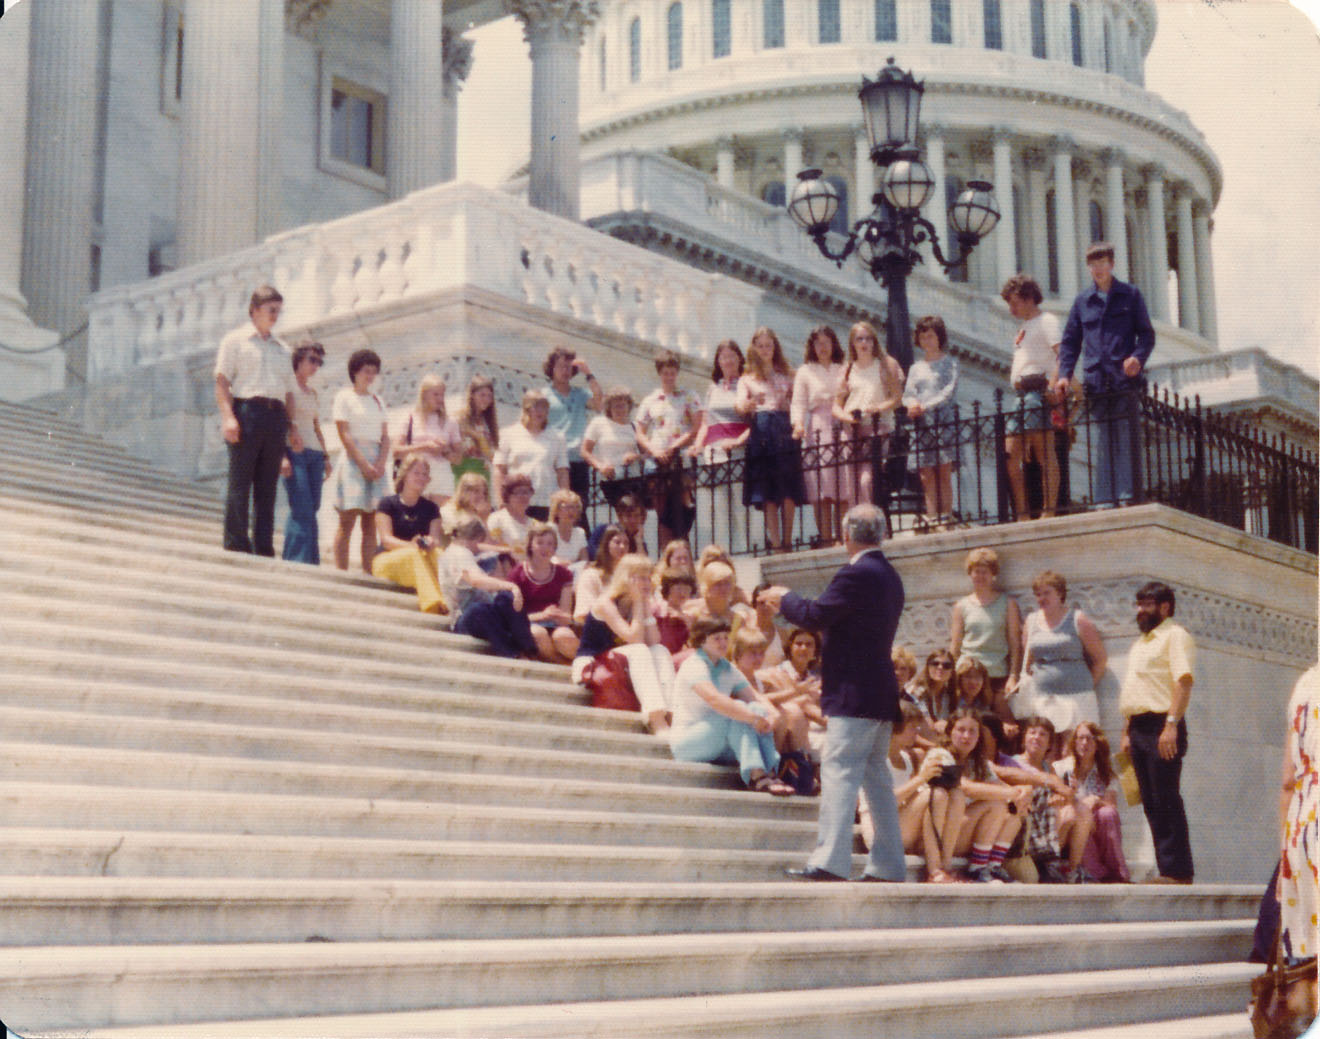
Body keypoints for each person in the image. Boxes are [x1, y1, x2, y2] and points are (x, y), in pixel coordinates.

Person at [762, 504, 906, 882]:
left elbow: (814, 615)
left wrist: (785, 597)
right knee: (876, 777)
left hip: (854, 693)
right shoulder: (891, 576)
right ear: (882, 534)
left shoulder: (857, 574)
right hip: (880, 692)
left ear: (846, 536)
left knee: (841, 772)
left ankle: (830, 860)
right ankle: (889, 864)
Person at [1055, 241, 1156, 507]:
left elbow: (1146, 334)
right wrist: (1064, 374)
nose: (1097, 269)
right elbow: (1070, 341)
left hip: (1124, 378)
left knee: (1124, 435)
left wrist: (1137, 357)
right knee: (1104, 438)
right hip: (1097, 379)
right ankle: (1105, 498)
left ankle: (1127, 494)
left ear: (1111, 265)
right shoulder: (1082, 302)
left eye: (1102, 263)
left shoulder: (1130, 295)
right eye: (1093, 265)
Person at [214, 284, 299, 556]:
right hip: (247, 411)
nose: (275, 315)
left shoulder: (283, 350)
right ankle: (236, 543)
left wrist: (292, 427)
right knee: (240, 481)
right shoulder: (235, 341)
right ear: (254, 310)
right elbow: (222, 381)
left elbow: (289, 392)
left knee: (268, 486)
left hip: (275, 416)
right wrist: (228, 417)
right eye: (270, 309)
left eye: (278, 311)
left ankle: (263, 546)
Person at [1120, 580, 1195, 883]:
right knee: (1149, 799)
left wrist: (1171, 725)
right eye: (1138, 605)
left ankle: (1178, 871)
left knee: (1165, 796)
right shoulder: (1141, 643)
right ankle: (1166, 869)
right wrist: (1127, 732)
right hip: (1138, 727)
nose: (1140, 611)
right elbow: (1136, 689)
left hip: (1163, 725)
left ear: (1165, 607)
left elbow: (1183, 681)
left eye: (1147, 605)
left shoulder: (1175, 636)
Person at [668, 617, 794, 796]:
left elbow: (755, 698)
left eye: (726, 638)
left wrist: (770, 716)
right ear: (702, 640)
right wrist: (752, 718)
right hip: (689, 743)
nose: (723, 642)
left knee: (755, 709)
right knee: (738, 710)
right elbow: (715, 700)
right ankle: (757, 776)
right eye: (717, 638)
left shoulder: (728, 668)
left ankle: (770, 772)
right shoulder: (694, 665)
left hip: (718, 742)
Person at [573, 553, 676, 734]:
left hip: (618, 661)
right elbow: (634, 638)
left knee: (660, 651)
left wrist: (643, 605)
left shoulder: (638, 602)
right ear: (627, 578)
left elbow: (654, 640)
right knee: (639, 649)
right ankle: (656, 718)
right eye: (641, 578)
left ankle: (672, 715)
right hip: (592, 662)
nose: (647, 583)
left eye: (648, 577)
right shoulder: (606, 602)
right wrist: (638, 602)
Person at [1015, 569, 1108, 746]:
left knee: (1074, 749)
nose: (1042, 598)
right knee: (1047, 750)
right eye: (1038, 594)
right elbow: (1028, 662)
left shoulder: (1077, 619)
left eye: (1047, 593)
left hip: (1077, 698)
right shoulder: (1031, 621)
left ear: (1060, 593)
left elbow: (1100, 659)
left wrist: (1085, 684)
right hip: (1043, 698)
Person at [943, 707, 1032, 883]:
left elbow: (1001, 786)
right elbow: (966, 788)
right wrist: (1013, 793)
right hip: (944, 835)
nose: (966, 736)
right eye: (961, 730)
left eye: (972, 731)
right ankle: (977, 869)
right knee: (995, 804)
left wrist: (1024, 791)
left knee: (1015, 813)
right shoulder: (942, 756)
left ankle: (993, 866)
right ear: (949, 732)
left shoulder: (978, 762)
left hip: (966, 832)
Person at [738, 326, 805, 553]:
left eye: (769, 345)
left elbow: (798, 403)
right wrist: (751, 402)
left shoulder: (788, 374)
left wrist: (789, 404)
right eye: (761, 346)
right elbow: (740, 406)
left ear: (775, 347)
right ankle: (775, 542)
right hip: (762, 429)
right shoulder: (747, 379)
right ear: (754, 349)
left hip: (784, 428)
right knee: (767, 493)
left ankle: (787, 540)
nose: (765, 350)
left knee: (787, 490)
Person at [1001, 274, 1062, 519]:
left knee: (1043, 452)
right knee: (1010, 455)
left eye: (1015, 302)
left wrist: (1053, 384)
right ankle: (1023, 512)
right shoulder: (1024, 328)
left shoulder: (1047, 321)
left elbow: (1062, 354)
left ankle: (1049, 510)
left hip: (1037, 390)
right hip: (1020, 395)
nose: (1011, 308)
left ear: (1028, 298)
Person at [1011, 715, 1095, 883]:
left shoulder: (1048, 767)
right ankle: (1049, 863)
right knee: (1069, 813)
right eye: (1032, 733)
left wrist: (1065, 794)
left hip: (1047, 824)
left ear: (1050, 744)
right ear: (1024, 739)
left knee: (1082, 811)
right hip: (1024, 826)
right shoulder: (1014, 763)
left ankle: (1073, 870)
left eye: (1043, 734)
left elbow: (1059, 795)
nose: (1036, 737)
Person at [438, 516, 537, 659]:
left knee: (505, 598)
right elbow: (476, 580)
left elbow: (484, 549)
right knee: (481, 609)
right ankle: (512, 653)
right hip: (465, 619)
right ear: (478, 538)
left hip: (483, 614)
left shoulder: (457, 550)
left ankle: (528, 648)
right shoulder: (459, 553)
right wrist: (511, 586)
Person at [832, 320, 903, 517]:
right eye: (859, 339)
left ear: (874, 342)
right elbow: (836, 406)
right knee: (852, 483)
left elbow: (897, 398)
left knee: (866, 481)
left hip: (877, 427)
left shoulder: (884, 365)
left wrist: (877, 408)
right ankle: (857, 524)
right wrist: (848, 416)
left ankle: (870, 522)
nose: (864, 343)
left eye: (868, 339)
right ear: (852, 343)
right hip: (853, 429)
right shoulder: (847, 369)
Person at [330, 349, 390, 572]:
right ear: (355, 371)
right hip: (355, 460)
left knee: (371, 523)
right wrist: (363, 464)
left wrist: (381, 463)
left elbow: (385, 436)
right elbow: (344, 434)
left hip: (376, 461)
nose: (370, 376)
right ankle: (341, 571)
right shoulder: (344, 397)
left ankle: (368, 572)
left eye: (374, 372)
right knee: (347, 520)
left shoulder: (378, 401)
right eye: (366, 371)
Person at [634, 348, 701, 547]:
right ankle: (666, 554)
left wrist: (676, 446)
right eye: (665, 373)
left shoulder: (688, 396)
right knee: (662, 511)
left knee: (684, 507)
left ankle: (683, 550)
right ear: (659, 373)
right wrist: (654, 451)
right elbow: (639, 431)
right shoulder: (650, 400)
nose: (669, 376)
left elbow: (696, 426)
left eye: (672, 372)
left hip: (680, 457)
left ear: (677, 372)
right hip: (657, 458)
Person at [1054, 721, 1132, 883]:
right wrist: (1079, 802)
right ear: (1074, 742)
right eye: (1080, 738)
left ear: (1098, 743)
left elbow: (1112, 806)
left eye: (1090, 739)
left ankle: (1118, 873)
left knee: (1108, 814)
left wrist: (1095, 800)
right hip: (1072, 820)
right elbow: (1058, 803)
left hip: (1097, 819)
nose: (1084, 743)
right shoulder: (1062, 767)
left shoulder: (1106, 770)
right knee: (1082, 818)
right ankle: (1097, 873)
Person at [950, 547, 1023, 718]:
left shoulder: (1008, 603)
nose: (980, 576)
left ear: (993, 574)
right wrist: (949, 677)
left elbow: (1014, 643)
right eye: (976, 571)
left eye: (985, 572)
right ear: (970, 574)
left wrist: (1013, 676)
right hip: (967, 676)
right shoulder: (961, 606)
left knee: (1001, 728)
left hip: (997, 676)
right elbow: (955, 645)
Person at [370, 453, 446, 615]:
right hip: (387, 560)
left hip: (418, 558)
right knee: (414, 554)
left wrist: (430, 542)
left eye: (425, 474)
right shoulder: (387, 503)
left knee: (439, 554)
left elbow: (436, 540)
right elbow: (386, 540)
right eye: (416, 473)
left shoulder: (431, 508)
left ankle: (452, 599)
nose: (421, 477)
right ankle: (434, 605)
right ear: (405, 475)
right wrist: (412, 545)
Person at [902, 314, 960, 527]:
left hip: (942, 421)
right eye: (923, 337)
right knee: (926, 474)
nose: (927, 341)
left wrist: (925, 406)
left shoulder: (951, 363)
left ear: (939, 337)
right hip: (922, 424)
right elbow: (908, 393)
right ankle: (932, 515)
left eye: (931, 336)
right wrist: (911, 405)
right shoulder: (916, 368)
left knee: (943, 470)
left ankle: (946, 515)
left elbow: (949, 392)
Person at [791, 325, 846, 546]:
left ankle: (843, 536)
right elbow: (798, 402)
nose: (822, 347)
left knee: (842, 484)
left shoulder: (842, 368)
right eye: (818, 343)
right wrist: (797, 424)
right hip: (817, 426)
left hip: (841, 425)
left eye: (826, 342)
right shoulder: (805, 371)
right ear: (812, 347)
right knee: (822, 486)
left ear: (833, 344)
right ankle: (826, 537)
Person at [1279, 665, 1319, 960]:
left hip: (1299, 826)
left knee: (1306, 947)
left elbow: (1287, 782)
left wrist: (1284, 859)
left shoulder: (1304, 683)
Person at [279, 340, 331, 565]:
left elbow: (316, 426)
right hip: (295, 451)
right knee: (301, 505)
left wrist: (327, 457)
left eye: (319, 361)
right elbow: (283, 421)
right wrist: (282, 456)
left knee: (313, 506)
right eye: (312, 360)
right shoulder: (287, 386)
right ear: (298, 359)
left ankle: (308, 559)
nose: (315, 365)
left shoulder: (313, 392)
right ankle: (296, 559)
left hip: (315, 454)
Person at [493, 388, 569, 522]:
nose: (540, 411)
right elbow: (499, 470)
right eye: (536, 406)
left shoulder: (557, 437)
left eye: (544, 407)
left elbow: (562, 471)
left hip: (546, 502)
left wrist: (565, 500)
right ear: (526, 409)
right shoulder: (508, 433)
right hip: (516, 502)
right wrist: (500, 501)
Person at [542, 346, 603, 510]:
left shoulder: (580, 394)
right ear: (552, 368)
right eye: (561, 366)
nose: (565, 371)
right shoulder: (544, 396)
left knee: (578, 509)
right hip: (556, 460)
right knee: (557, 508)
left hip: (578, 460)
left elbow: (599, 403)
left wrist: (588, 373)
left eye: (569, 367)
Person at [510, 520, 578, 664]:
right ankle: (566, 666)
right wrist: (543, 615)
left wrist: (559, 616)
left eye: (550, 544)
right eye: (540, 542)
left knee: (563, 636)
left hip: (555, 624)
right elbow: (513, 617)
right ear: (530, 545)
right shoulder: (517, 574)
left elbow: (566, 615)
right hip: (530, 623)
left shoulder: (564, 574)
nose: (545, 548)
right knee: (538, 633)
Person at [393, 373, 461, 507]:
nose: (440, 399)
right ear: (424, 394)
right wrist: (425, 447)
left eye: (442, 395)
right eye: (436, 394)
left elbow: (458, 458)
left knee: (441, 520)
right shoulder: (410, 418)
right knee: (415, 521)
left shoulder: (451, 422)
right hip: (416, 474)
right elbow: (396, 451)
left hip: (442, 476)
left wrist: (445, 451)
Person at [580, 385, 642, 504]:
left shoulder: (635, 426)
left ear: (629, 407)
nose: (620, 409)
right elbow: (585, 451)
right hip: (611, 478)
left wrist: (635, 456)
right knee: (621, 512)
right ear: (609, 408)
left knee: (633, 514)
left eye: (623, 405)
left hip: (634, 478)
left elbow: (646, 454)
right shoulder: (598, 423)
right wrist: (600, 466)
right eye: (615, 406)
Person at [573, 523, 629, 624]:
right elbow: (585, 614)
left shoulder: (630, 576)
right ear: (606, 544)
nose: (622, 547)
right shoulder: (590, 575)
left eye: (626, 543)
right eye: (617, 542)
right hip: (600, 631)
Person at [453, 374, 499, 483]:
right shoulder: (458, 418)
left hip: (482, 472)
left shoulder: (488, 423)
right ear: (472, 395)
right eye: (482, 395)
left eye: (489, 396)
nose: (486, 399)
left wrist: (477, 436)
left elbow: (491, 456)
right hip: (462, 471)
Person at [487, 472, 535, 557]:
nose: (523, 496)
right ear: (507, 496)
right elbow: (492, 549)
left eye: (526, 492)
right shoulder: (497, 519)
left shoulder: (535, 524)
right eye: (517, 492)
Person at [548, 489, 588, 566]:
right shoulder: (549, 530)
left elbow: (584, 560)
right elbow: (547, 557)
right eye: (567, 507)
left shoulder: (580, 533)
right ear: (556, 510)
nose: (572, 511)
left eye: (576, 507)